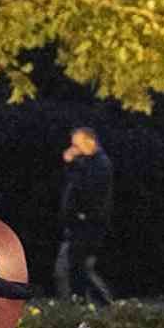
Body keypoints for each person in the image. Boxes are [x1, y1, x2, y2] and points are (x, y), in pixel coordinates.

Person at [56, 126, 116, 304]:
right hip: (78, 223)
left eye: (77, 143)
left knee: (75, 267)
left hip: (88, 224)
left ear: (90, 141)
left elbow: (87, 190)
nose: (74, 147)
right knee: (77, 268)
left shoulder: (100, 164)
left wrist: (82, 215)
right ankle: (86, 305)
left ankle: (94, 304)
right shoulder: (87, 162)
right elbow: (73, 186)